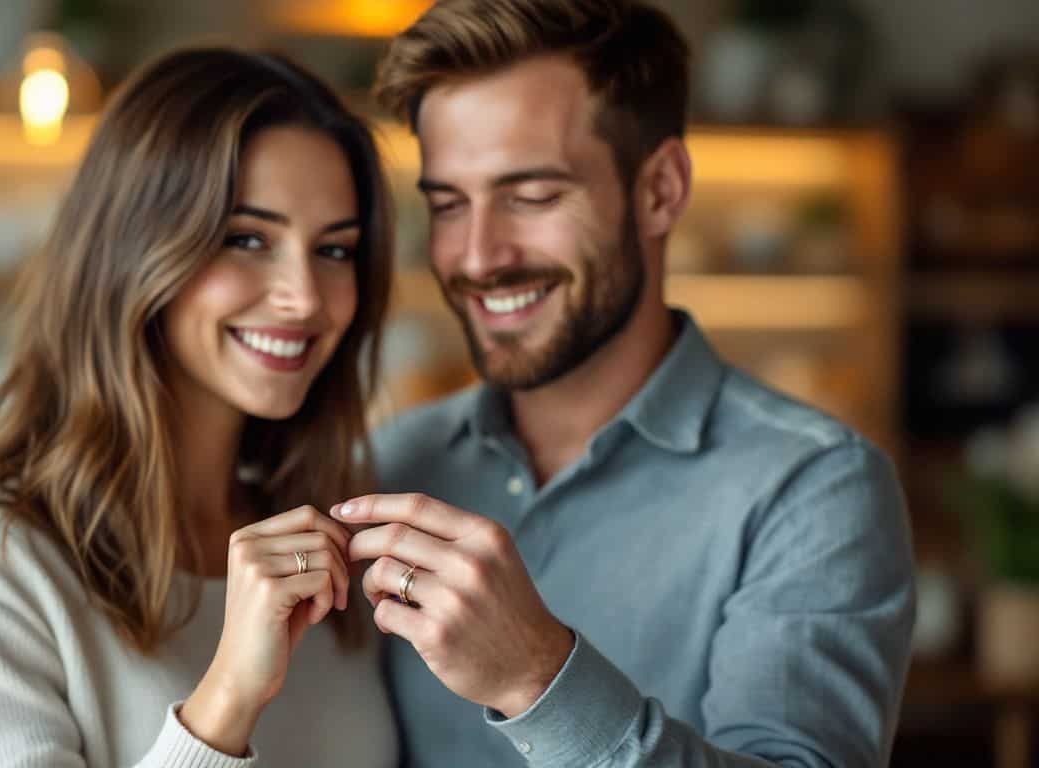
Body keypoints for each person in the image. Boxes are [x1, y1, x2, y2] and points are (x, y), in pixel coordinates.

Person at [327, 1, 916, 766]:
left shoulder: (813, 490)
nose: (478, 256)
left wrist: (540, 678)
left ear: (661, 190)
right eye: (447, 205)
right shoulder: (391, 462)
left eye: (531, 196)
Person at [0, 47, 398, 767]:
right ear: (135, 250)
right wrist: (225, 704)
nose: (305, 297)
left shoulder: (336, 550)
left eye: (335, 251)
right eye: (247, 239)